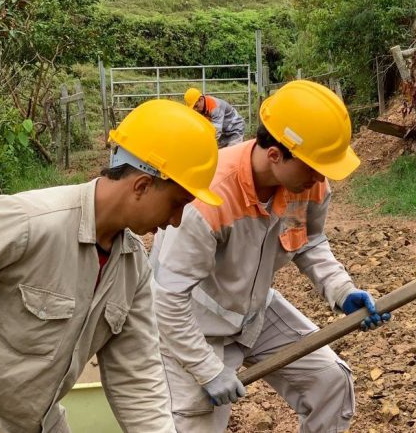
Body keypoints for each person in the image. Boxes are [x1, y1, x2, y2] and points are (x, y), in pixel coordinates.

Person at [0, 99, 223, 432]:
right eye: (177, 204)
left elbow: (138, 379)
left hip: (42, 423)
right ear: (142, 185)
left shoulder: (133, 269)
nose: (176, 221)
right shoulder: (32, 222)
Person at [151, 80, 391, 433]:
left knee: (330, 382)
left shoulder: (306, 184)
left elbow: (309, 240)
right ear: (275, 155)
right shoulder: (208, 197)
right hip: (193, 325)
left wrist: (342, 290)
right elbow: (167, 299)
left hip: (255, 312)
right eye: (313, 167)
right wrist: (207, 369)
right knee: (195, 423)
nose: (320, 178)